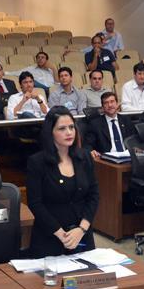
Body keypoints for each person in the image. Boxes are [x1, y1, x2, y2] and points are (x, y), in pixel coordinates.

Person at [26, 107, 99, 258]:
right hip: (50, 236)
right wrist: (62, 235)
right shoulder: (37, 162)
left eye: (72, 127)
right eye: (62, 128)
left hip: (81, 235)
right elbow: (35, 203)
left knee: (85, 277)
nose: (69, 132)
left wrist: (82, 229)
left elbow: (94, 195)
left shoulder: (85, 156)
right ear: (50, 132)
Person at [85, 91, 135, 157]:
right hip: (107, 160)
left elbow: (134, 140)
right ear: (102, 107)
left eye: (112, 101)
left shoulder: (126, 120)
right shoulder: (95, 124)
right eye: (106, 103)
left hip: (127, 156)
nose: (110, 105)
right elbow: (88, 145)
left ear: (117, 104)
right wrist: (91, 151)